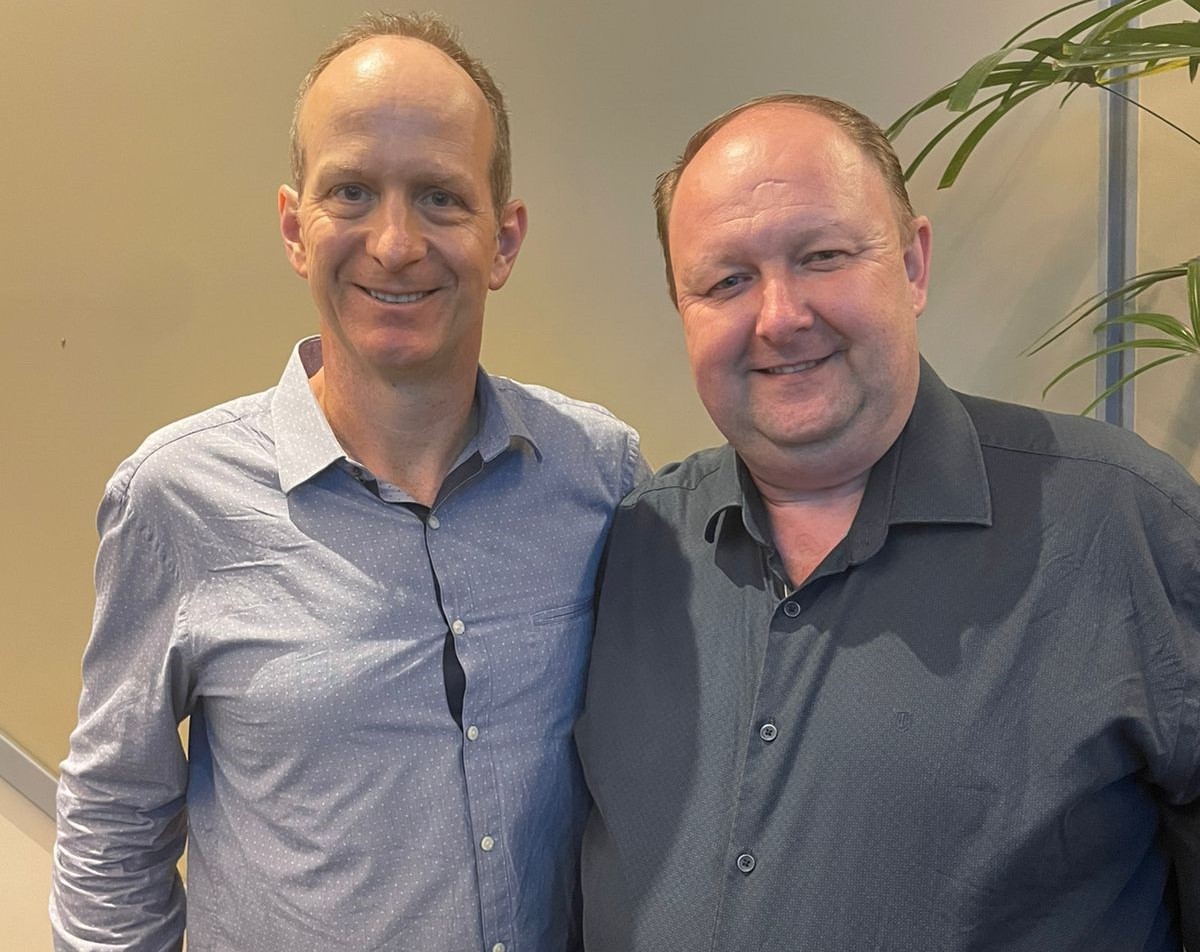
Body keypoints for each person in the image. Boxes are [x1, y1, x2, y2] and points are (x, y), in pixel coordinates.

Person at [51, 13, 646, 952]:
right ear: (296, 227)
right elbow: (112, 824)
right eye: (353, 192)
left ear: (503, 241)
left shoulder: (599, 474)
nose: (396, 243)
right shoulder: (176, 498)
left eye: (441, 197)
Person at [575, 94, 1200, 951]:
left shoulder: (1124, 526)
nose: (780, 316)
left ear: (912, 264)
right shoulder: (635, 551)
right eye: (726, 281)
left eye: (823, 256)